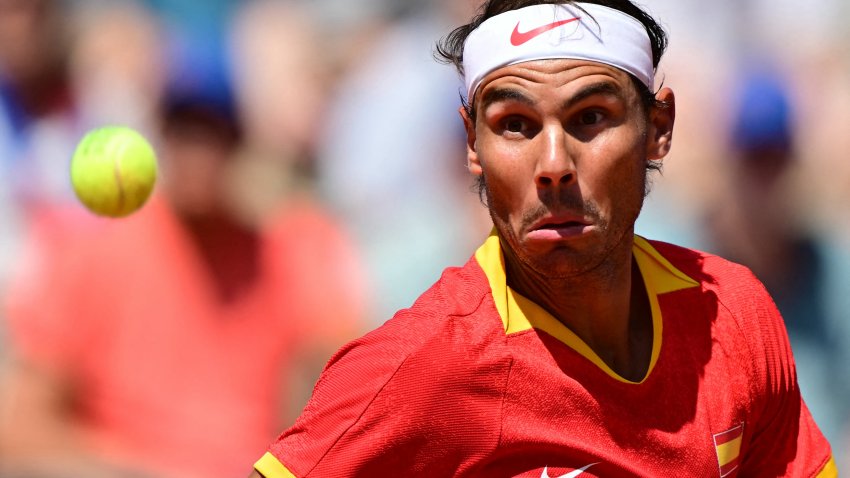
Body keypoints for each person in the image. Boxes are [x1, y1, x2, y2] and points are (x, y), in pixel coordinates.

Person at [249, 0, 836, 476]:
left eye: (590, 117)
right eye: (515, 125)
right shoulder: (420, 364)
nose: (553, 162)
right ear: (472, 146)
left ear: (659, 129)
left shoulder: (735, 314)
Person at [0, 49, 368, 478]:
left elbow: (363, 376)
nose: (198, 152)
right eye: (184, 132)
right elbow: (19, 427)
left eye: (213, 133)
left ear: (238, 143)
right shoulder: (92, 251)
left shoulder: (282, 248)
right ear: (162, 137)